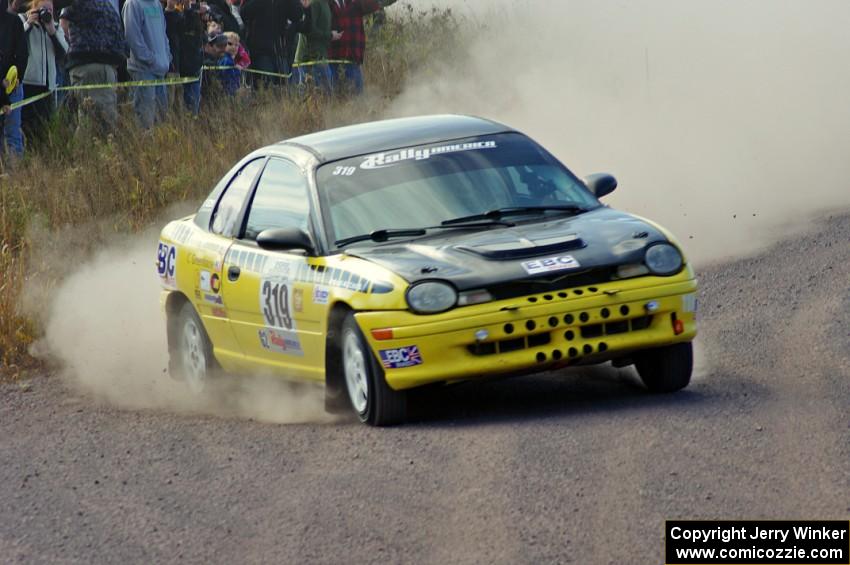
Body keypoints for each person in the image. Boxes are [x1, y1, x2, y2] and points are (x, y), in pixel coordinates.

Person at [61, 0, 128, 131]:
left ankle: (84, 151)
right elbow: (64, 23)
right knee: (102, 121)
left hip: (96, 65)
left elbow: (64, 23)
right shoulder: (99, 5)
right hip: (95, 66)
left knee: (90, 119)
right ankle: (88, 151)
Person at [19, 0, 68, 142]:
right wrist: (29, 23)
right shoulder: (22, 21)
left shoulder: (55, 27)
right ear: (34, 8)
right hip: (28, 84)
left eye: (50, 10)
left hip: (48, 87)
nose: (46, 13)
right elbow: (15, 42)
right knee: (26, 128)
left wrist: (51, 31)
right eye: (43, 9)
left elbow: (64, 53)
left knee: (44, 129)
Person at [328, 0, 395, 95]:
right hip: (332, 58)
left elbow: (378, 2)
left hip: (352, 57)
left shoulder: (355, 2)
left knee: (357, 97)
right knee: (332, 96)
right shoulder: (325, 3)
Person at [123, 0, 171, 129]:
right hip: (143, 70)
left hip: (161, 70)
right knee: (145, 119)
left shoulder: (157, 5)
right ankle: (144, 148)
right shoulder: (132, 4)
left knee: (162, 118)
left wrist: (167, 56)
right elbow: (132, 36)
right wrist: (149, 59)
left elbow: (164, 34)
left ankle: (160, 148)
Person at [240, 0, 301, 86]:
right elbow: (244, 14)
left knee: (284, 90)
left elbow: (297, 15)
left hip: (281, 51)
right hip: (260, 52)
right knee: (265, 89)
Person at [165, 0, 204, 114]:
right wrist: (170, 8)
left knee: (189, 112)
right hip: (174, 67)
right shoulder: (169, 15)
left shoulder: (191, 15)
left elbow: (195, 32)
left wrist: (188, 8)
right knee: (171, 108)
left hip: (191, 69)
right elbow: (170, 32)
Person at [2, 0, 27, 160]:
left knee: (12, 134)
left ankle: (15, 179)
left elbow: (23, 54)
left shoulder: (15, 22)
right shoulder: (15, 21)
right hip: (9, 84)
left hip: (12, 85)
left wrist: (18, 76)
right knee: (12, 135)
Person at [293, 0, 330, 95]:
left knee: (325, 95)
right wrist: (329, 35)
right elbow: (310, 30)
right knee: (310, 97)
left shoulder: (326, 4)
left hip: (320, 56)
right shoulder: (314, 3)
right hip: (308, 58)